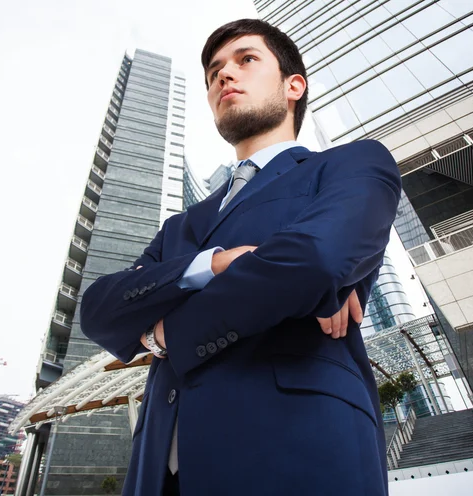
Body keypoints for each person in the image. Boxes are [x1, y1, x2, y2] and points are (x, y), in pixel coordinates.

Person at [80, 18, 401, 496]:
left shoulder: (352, 164)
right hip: (157, 474)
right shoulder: (181, 226)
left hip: (294, 452)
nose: (224, 76)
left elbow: (314, 260)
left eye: (246, 60)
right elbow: (100, 310)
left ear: (294, 85)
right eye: (213, 72)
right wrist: (212, 265)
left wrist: (164, 332)